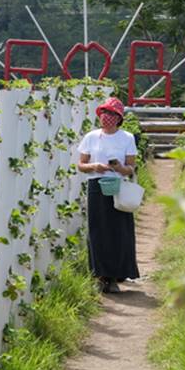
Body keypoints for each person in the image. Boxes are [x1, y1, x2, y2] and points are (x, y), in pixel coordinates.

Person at [76, 97, 139, 293]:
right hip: (97, 186)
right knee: (98, 231)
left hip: (118, 186)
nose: (107, 117)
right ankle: (100, 275)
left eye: (112, 114)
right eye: (104, 113)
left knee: (119, 231)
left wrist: (119, 168)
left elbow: (131, 167)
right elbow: (81, 164)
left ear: (119, 118)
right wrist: (94, 166)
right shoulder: (91, 137)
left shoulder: (127, 138)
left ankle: (116, 275)